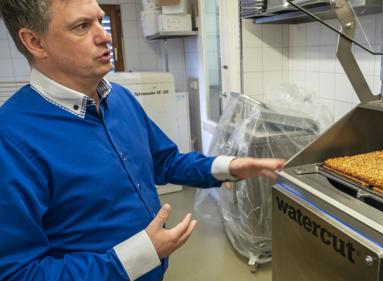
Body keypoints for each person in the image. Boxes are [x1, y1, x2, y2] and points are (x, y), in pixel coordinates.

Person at [0, 1, 285, 280]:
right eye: (82, 26)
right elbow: (18, 272)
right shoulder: (12, 138)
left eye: (100, 20)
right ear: (35, 41)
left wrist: (232, 167)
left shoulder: (120, 98)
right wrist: (138, 255)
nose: (104, 36)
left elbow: (165, 162)